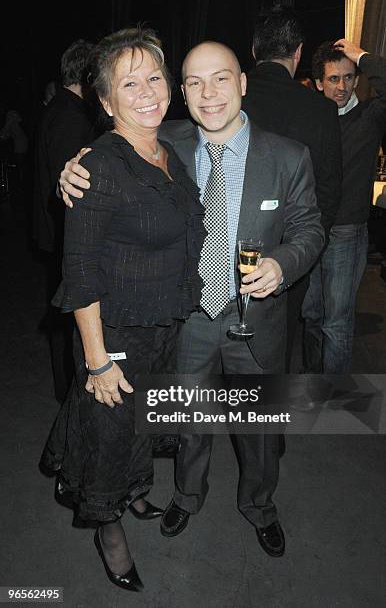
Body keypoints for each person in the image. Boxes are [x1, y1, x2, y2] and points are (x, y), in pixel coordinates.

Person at [60, 40, 325, 558]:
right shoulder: (166, 143)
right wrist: (70, 171)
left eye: (221, 78)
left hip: (258, 322)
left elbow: (310, 229)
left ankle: (260, 506)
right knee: (190, 423)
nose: (209, 94)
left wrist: (283, 263)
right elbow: (110, 165)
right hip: (189, 319)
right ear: (182, 92)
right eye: (195, 83)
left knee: (259, 430)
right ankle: (187, 494)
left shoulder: (289, 157)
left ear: (243, 82)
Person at [40, 27, 205, 592]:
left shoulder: (168, 150)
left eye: (155, 77)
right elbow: (79, 273)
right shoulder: (101, 167)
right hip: (115, 336)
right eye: (128, 84)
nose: (146, 92)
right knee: (108, 439)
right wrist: (97, 360)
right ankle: (108, 532)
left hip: (161, 328)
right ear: (106, 103)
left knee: (138, 429)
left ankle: (134, 493)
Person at [242, 5, 342, 371]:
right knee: (278, 345)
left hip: (232, 244)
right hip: (293, 249)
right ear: (298, 52)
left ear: (254, 51)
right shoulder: (321, 110)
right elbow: (330, 190)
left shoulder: (227, 99)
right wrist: (311, 246)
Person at [302, 39, 386, 373]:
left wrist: (362, 56)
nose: (342, 86)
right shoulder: (309, 120)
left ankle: (334, 398)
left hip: (347, 232)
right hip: (309, 231)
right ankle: (310, 384)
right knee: (310, 316)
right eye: (334, 79)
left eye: (349, 77)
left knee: (336, 323)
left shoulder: (369, 116)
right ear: (319, 83)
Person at [33, 39, 96, 403]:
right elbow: (68, 190)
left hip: (53, 233)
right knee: (67, 321)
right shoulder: (71, 116)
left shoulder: (60, 107)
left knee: (63, 318)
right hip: (63, 236)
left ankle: (68, 391)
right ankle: (70, 394)